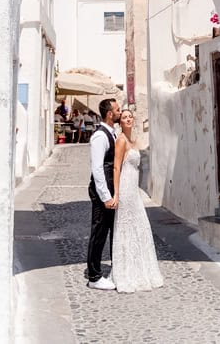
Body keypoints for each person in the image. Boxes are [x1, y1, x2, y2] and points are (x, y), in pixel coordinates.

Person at [112, 108, 163, 293]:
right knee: (127, 227)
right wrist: (116, 194)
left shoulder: (133, 141)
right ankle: (125, 271)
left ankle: (141, 268)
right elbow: (116, 168)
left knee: (140, 226)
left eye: (130, 117)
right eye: (124, 117)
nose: (128, 119)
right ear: (120, 122)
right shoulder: (121, 141)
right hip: (125, 189)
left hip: (134, 190)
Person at [86, 97, 121, 290]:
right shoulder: (100, 137)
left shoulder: (112, 134)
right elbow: (97, 169)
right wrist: (105, 196)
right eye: (117, 109)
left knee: (108, 230)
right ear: (109, 114)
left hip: (110, 191)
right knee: (98, 233)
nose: (119, 112)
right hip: (103, 194)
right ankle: (94, 276)